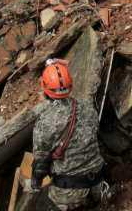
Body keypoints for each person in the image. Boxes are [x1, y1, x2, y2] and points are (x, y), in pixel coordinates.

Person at [25, 60, 109, 209]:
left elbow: (41, 164)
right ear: (70, 85)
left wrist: (35, 184)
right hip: (98, 180)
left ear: (44, 87)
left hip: (70, 190)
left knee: (37, 206)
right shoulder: (88, 107)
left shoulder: (46, 122)